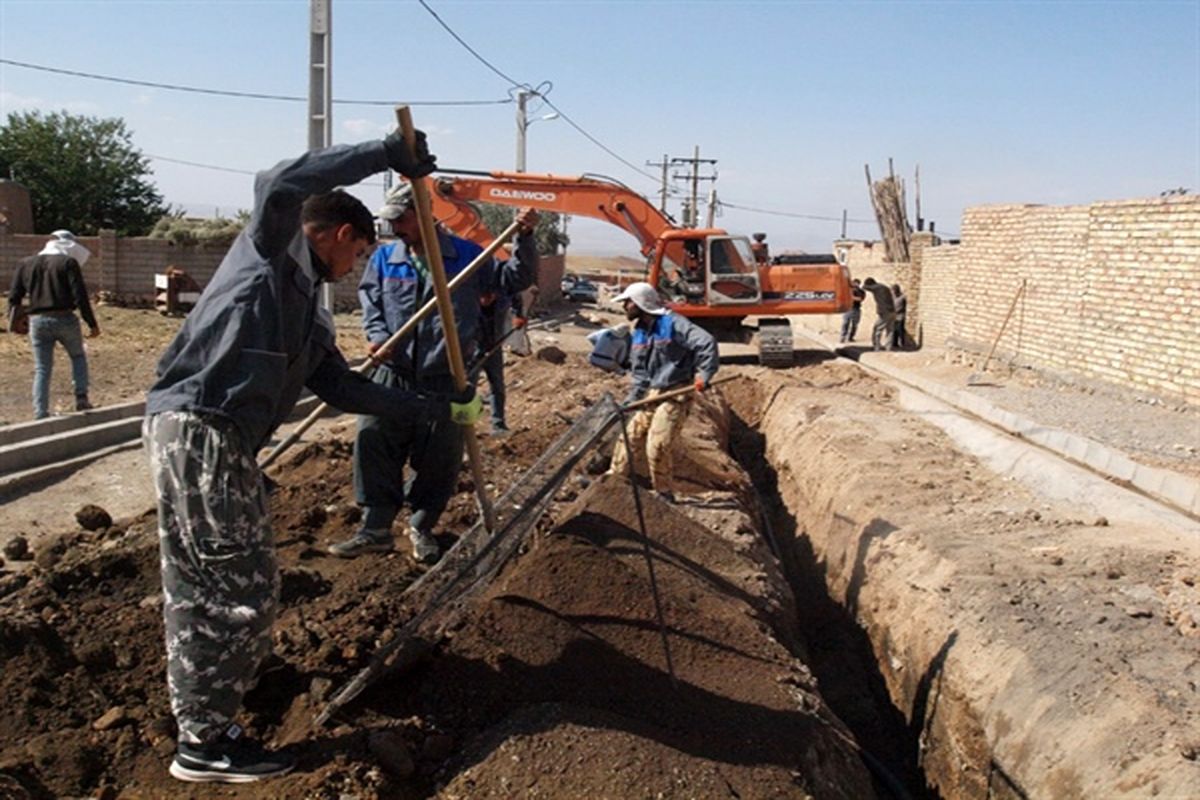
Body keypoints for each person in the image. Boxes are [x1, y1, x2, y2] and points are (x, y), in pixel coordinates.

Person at [143, 132, 479, 784]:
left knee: (213, 588)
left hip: (218, 440)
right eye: (357, 250)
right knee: (238, 592)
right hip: (201, 430)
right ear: (332, 232)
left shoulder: (306, 312)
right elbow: (279, 178)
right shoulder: (271, 253)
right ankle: (208, 740)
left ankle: (205, 717)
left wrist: (440, 411)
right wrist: (386, 153)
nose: (357, 266)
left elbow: (345, 387)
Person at [328, 188, 538, 562]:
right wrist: (377, 336)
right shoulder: (385, 259)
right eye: (390, 219)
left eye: (401, 218)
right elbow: (371, 300)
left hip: (449, 378)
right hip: (393, 374)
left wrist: (524, 237)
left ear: (425, 213)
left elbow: (515, 279)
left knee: (440, 457)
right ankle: (375, 528)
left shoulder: (468, 256)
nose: (394, 226)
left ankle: (422, 527)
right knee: (374, 439)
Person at [607, 282, 718, 501]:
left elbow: (706, 343)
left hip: (676, 392)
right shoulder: (639, 331)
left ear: (641, 303)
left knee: (658, 444)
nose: (625, 306)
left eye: (628, 302)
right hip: (652, 393)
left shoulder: (673, 323)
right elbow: (639, 374)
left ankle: (664, 492)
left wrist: (703, 375)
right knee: (630, 437)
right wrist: (632, 400)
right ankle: (613, 481)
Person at [7, 230, 100, 418]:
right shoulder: (68, 263)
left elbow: (14, 297)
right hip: (65, 318)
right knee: (77, 357)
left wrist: (12, 321)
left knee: (42, 368)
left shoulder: (25, 264)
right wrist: (92, 324)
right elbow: (80, 296)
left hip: (38, 322)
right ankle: (81, 399)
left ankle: (40, 411)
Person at [862, 277, 896, 351]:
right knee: (890, 330)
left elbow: (865, 287)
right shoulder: (884, 287)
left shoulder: (877, 287)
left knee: (877, 329)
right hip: (892, 311)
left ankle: (876, 347)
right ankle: (888, 347)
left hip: (884, 312)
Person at [839, 278, 865, 344]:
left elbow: (860, 299)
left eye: (857, 283)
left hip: (856, 309)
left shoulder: (861, 291)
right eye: (854, 283)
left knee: (854, 325)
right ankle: (843, 337)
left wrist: (851, 297)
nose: (855, 284)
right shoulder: (847, 290)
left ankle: (850, 337)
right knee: (845, 323)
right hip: (848, 308)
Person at [892, 283, 909, 350]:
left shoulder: (902, 297)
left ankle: (902, 343)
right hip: (893, 316)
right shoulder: (893, 297)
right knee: (894, 330)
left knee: (900, 330)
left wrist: (896, 311)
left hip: (900, 316)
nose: (893, 292)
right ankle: (894, 343)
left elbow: (903, 307)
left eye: (894, 290)